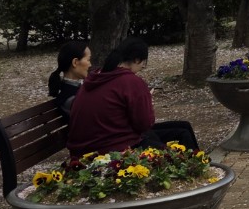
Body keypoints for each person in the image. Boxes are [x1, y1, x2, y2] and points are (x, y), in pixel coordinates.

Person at [66, 38, 198, 154]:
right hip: (112, 148)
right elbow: (144, 124)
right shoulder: (130, 82)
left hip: (95, 143)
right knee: (179, 136)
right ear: (136, 59)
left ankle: (200, 163)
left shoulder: (98, 76)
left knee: (184, 126)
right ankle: (197, 169)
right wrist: (147, 100)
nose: (142, 67)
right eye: (143, 63)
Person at [47, 40, 92, 116]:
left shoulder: (71, 91)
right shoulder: (71, 99)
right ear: (75, 62)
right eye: (88, 60)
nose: (90, 64)